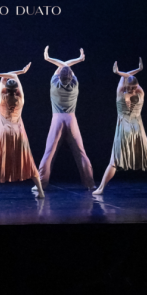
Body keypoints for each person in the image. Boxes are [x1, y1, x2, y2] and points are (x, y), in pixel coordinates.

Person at [93, 58, 147, 195]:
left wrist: (118, 72)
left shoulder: (120, 92)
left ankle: (101, 188)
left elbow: (125, 77)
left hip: (124, 129)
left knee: (114, 162)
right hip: (138, 129)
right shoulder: (140, 93)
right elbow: (131, 79)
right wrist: (138, 70)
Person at [0, 63, 45, 199]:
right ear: (16, 90)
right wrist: (21, 72)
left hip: (2, 133)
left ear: (6, 89)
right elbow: (14, 77)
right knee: (27, 159)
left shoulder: (1, 100)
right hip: (18, 132)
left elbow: (4, 79)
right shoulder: (20, 100)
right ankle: (41, 191)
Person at [36, 46, 95, 191]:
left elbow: (63, 66)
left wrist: (48, 58)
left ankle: (41, 184)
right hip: (71, 120)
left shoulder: (54, 83)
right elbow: (66, 67)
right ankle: (90, 184)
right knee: (81, 152)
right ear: (70, 77)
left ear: (59, 77)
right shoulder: (75, 84)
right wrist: (79, 59)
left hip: (57, 120)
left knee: (49, 153)